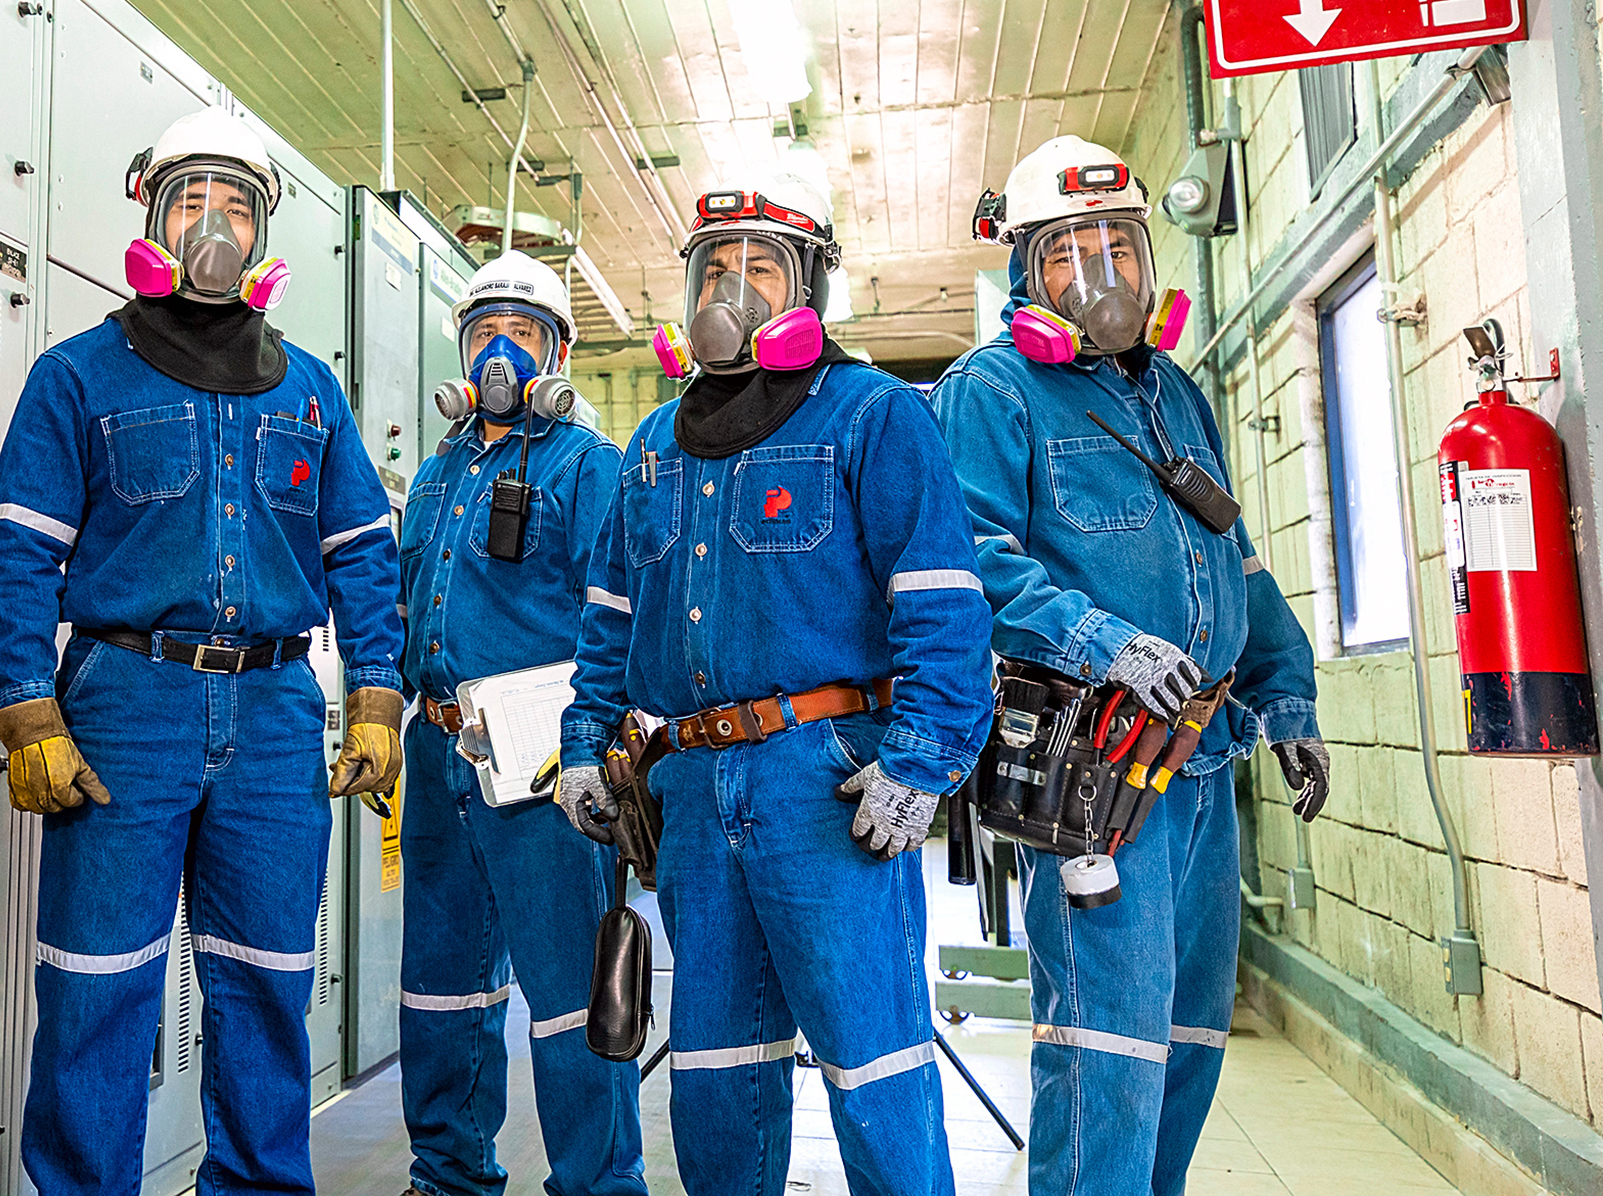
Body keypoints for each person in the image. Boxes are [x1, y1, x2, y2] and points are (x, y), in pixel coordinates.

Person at [0, 106, 407, 1196]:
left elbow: (361, 555)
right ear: (151, 220)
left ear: (262, 237)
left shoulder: (310, 388)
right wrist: (28, 706)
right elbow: (17, 550)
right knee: (96, 984)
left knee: (267, 982)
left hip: (269, 710)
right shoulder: (79, 375)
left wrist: (374, 699)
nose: (210, 225)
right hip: (123, 700)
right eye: (188, 203)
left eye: (234, 206)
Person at [556, 186, 994, 1196]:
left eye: (758, 268)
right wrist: (582, 739)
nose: (728, 289)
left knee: (871, 1062)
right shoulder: (653, 446)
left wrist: (920, 761)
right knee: (714, 1074)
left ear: (808, 288)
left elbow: (941, 604)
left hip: (821, 781)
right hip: (693, 788)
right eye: (712, 269)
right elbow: (608, 622)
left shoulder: (874, 414)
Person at [929, 135, 1330, 1196]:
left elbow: (1232, 558)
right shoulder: (991, 389)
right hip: (1095, 772)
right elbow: (967, 555)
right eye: (1068, 251)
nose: (1100, 271)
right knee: (1103, 1045)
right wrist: (1100, 639)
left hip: (1201, 767)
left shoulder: (1175, 393)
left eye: (1119, 241)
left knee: (1188, 1036)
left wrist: (1283, 692)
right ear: (1025, 271)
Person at [395, 250, 645, 1196]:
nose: (500, 355)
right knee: (442, 988)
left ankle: (597, 1183)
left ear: (558, 356)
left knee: (566, 994)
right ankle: (448, 1176)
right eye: (483, 334)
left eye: (524, 335)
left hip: (543, 758)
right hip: (440, 745)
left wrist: (600, 748)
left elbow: (617, 618)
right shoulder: (436, 474)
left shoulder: (589, 467)